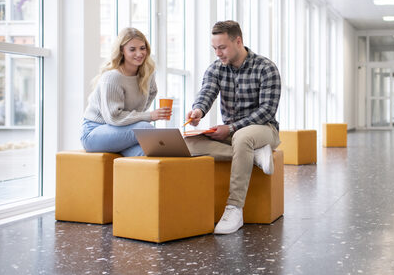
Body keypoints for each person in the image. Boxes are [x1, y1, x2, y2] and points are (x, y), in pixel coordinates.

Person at [185, 20, 281, 235]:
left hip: (263, 129)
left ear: (238, 41)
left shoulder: (266, 68)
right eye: (214, 48)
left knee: (244, 137)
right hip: (232, 134)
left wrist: (232, 128)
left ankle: (235, 209)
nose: (218, 53)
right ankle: (253, 156)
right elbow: (207, 92)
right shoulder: (216, 69)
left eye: (222, 47)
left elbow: (267, 110)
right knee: (188, 142)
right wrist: (198, 111)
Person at [80, 28, 171, 156]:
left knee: (147, 153)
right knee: (145, 129)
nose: (139, 53)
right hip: (94, 131)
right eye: (132, 49)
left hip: (121, 130)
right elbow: (114, 117)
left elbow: (150, 95)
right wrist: (149, 116)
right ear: (122, 51)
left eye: (142, 48)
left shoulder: (147, 75)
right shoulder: (112, 77)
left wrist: (137, 118)